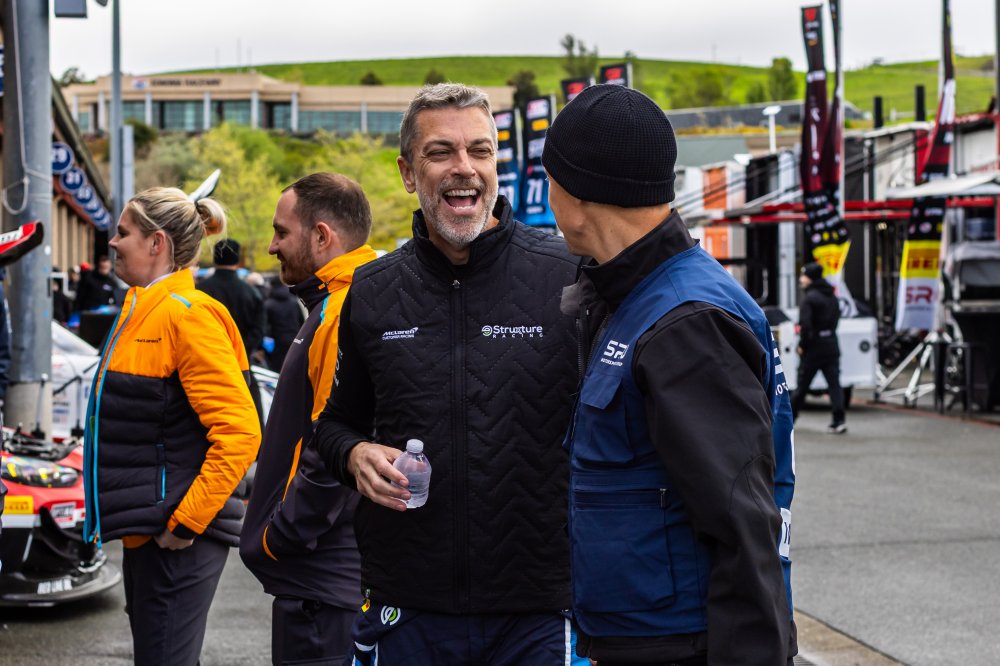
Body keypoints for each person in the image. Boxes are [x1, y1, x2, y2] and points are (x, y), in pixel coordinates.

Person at [310, 83, 581, 665]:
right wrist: (354, 454)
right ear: (408, 173)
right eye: (441, 152)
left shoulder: (566, 276)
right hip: (408, 609)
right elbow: (332, 425)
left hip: (540, 612)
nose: (465, 168)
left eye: (480, 151)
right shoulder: (373, 290)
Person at [542, 84, 797, 665]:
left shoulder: (683, 322)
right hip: (642, 639)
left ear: (578, 194)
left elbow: (742, 525)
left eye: (551, 178)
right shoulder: (634, 296)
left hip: (679, 648)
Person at [82, 187, 261, 665]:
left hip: (177, 535)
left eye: (123, 233)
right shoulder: (144, 308)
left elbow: (241, 431)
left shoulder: (188, 316)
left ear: (156, 242)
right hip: (151, 530)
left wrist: (186, 522)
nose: (113, 243)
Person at [240, 172, 378, 665]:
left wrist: (282, 536)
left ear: (321, 236)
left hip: (320, 583)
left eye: (281, 232)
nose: (272, 246)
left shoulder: (340, 310)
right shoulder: (339, 302)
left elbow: (332, 446)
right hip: (323, 580)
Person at [198, 238, 267, 423]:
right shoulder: (251, 292)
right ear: (238, 259)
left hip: (205, 369)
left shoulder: (200, 290)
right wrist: (241, 351)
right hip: (242, 368)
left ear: (214, 258)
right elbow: (258, 330)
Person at [791, 261, 846, 433]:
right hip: (831, 344)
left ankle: (789, 419)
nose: (801, 279)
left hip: (813, 348)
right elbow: (836, 321)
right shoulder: (832, 296)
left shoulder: (809, 299)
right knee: (834, 385)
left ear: (810, 278)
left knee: (802, 385)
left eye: (803, 276)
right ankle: (839, 420)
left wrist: (802, 346)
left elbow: (806, 327)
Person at [263, 276, 303, 371]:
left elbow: (264, 326)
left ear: (271, 286)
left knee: (277, 370)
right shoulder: (294, 301)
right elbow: (301, 321)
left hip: (276, 343)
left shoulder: (268, 304)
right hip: (294, 340)